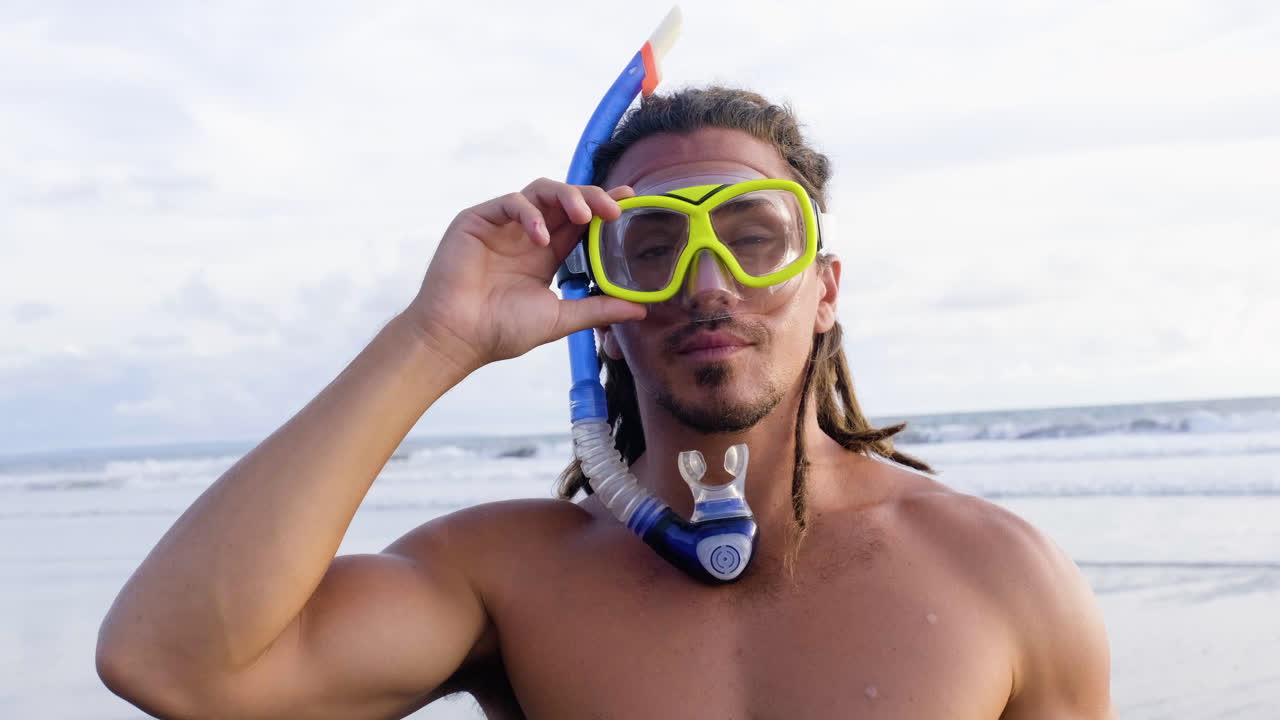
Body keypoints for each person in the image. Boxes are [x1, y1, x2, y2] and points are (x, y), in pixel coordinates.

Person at [97, 87, 1114, 719]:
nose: (707, 283)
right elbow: (176, 666)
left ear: (825, 289)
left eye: (754, 240)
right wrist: (434, 339)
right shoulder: (509, 578)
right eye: (653, 248)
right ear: (596, 306)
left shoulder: (998, 576)